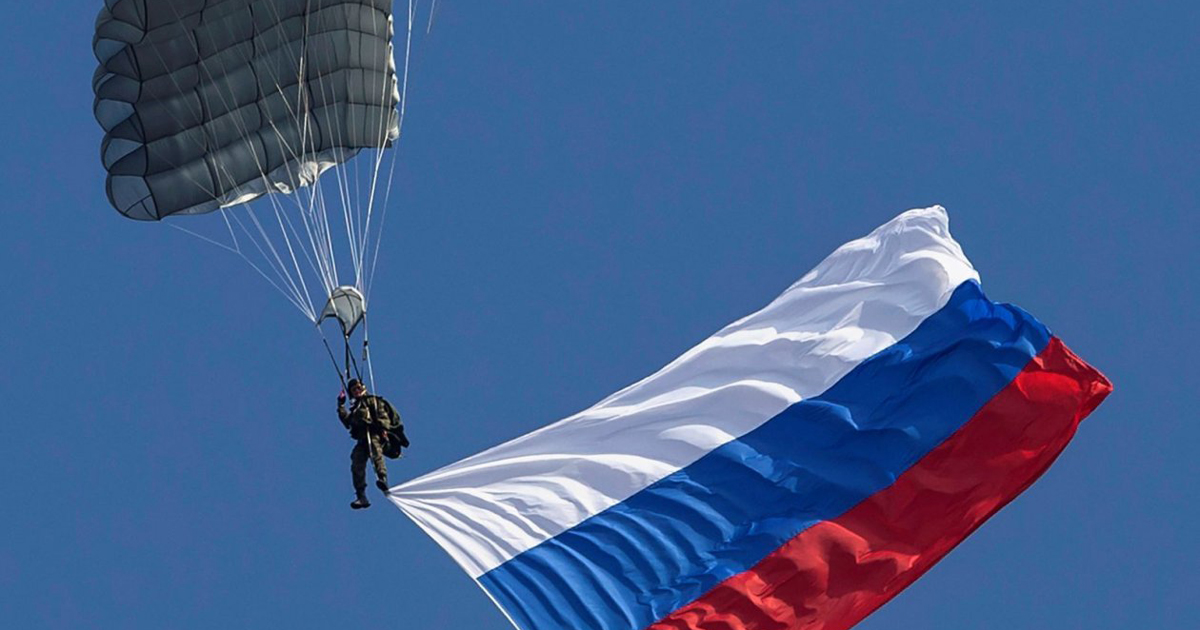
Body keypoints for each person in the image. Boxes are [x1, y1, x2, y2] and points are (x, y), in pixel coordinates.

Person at [337, 378, 401, 509]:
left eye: (358, 388)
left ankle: (382, 478)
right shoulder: (355, 409)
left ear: (363, 388)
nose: (356, 391)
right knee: (356, 462)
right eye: (354, 390)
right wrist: (341, 406)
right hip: (362, 440)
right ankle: (361, 495)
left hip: (374, 434)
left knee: (376, 452)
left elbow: (383, 416)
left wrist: (383, 429)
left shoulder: (372, 401)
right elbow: (348, 423)